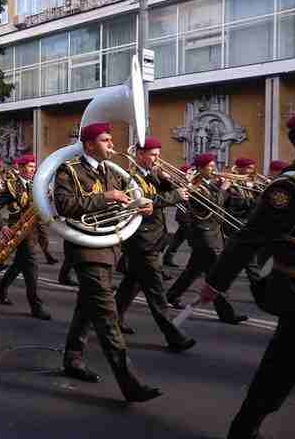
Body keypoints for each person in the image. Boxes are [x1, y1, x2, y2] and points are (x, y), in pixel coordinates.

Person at [200, 109, 295, 439]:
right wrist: (216, 283)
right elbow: (249, 238)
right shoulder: (290, 189)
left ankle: (244, 429)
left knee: (282, 367)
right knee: (281, 369)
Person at [53, 122, 162, 402]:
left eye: (111, 140)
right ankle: (129, 383)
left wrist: (143, 205)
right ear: (89, 144)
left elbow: (130, 200)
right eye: (106, 140)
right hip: (86, 250)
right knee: (107, 315)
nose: (112, 145)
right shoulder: (70, 170)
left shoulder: (113, 172)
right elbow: (64, 205)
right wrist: (105, 196)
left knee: (87, 307)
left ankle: (73, 359)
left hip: (110, 248)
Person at [114, 137, 196, 351]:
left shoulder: (152, 174)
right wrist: (173, 196)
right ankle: (174, 336)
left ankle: (113, 319)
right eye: (153, 155)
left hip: (154, 238)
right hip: (141, 240)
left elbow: (169, 192)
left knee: (131, 284)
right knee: (156, 291)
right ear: (140, 155)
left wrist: (170, 181)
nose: (158, 159)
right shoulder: (129, 177)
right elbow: (142, 204)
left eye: (158, 155)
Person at [165, 153, 248, 325]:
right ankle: (227, 314)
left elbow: (230, 203)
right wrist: (223, 189)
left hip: (212, 233)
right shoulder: (196, 186)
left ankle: (171, 295)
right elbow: (211, 206)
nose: (213, 169)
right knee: (217, 275)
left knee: (193, 271)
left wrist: (232, 190)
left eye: (213, 166)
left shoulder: (209, 184)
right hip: (205, 235)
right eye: (209, 167)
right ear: (200, 168)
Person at [0, 154, 51, 320]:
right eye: (30, 167)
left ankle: (0, 290)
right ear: (22, 167)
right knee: (31, 267)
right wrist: (2, 226)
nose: (33, 170)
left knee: (19, 264)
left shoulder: (35, 184)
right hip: (19, 230)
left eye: (34, 167)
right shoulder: (11, 186)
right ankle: (36, 306)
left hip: (33, 229)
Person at [162, 164, 192, 268]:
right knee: (194, 241)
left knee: (178, 238)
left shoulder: (190, 182)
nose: (191, 174)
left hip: (187, 215)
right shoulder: (179, 183)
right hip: (184, 215)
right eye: (189, 172)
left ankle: (167, 257)